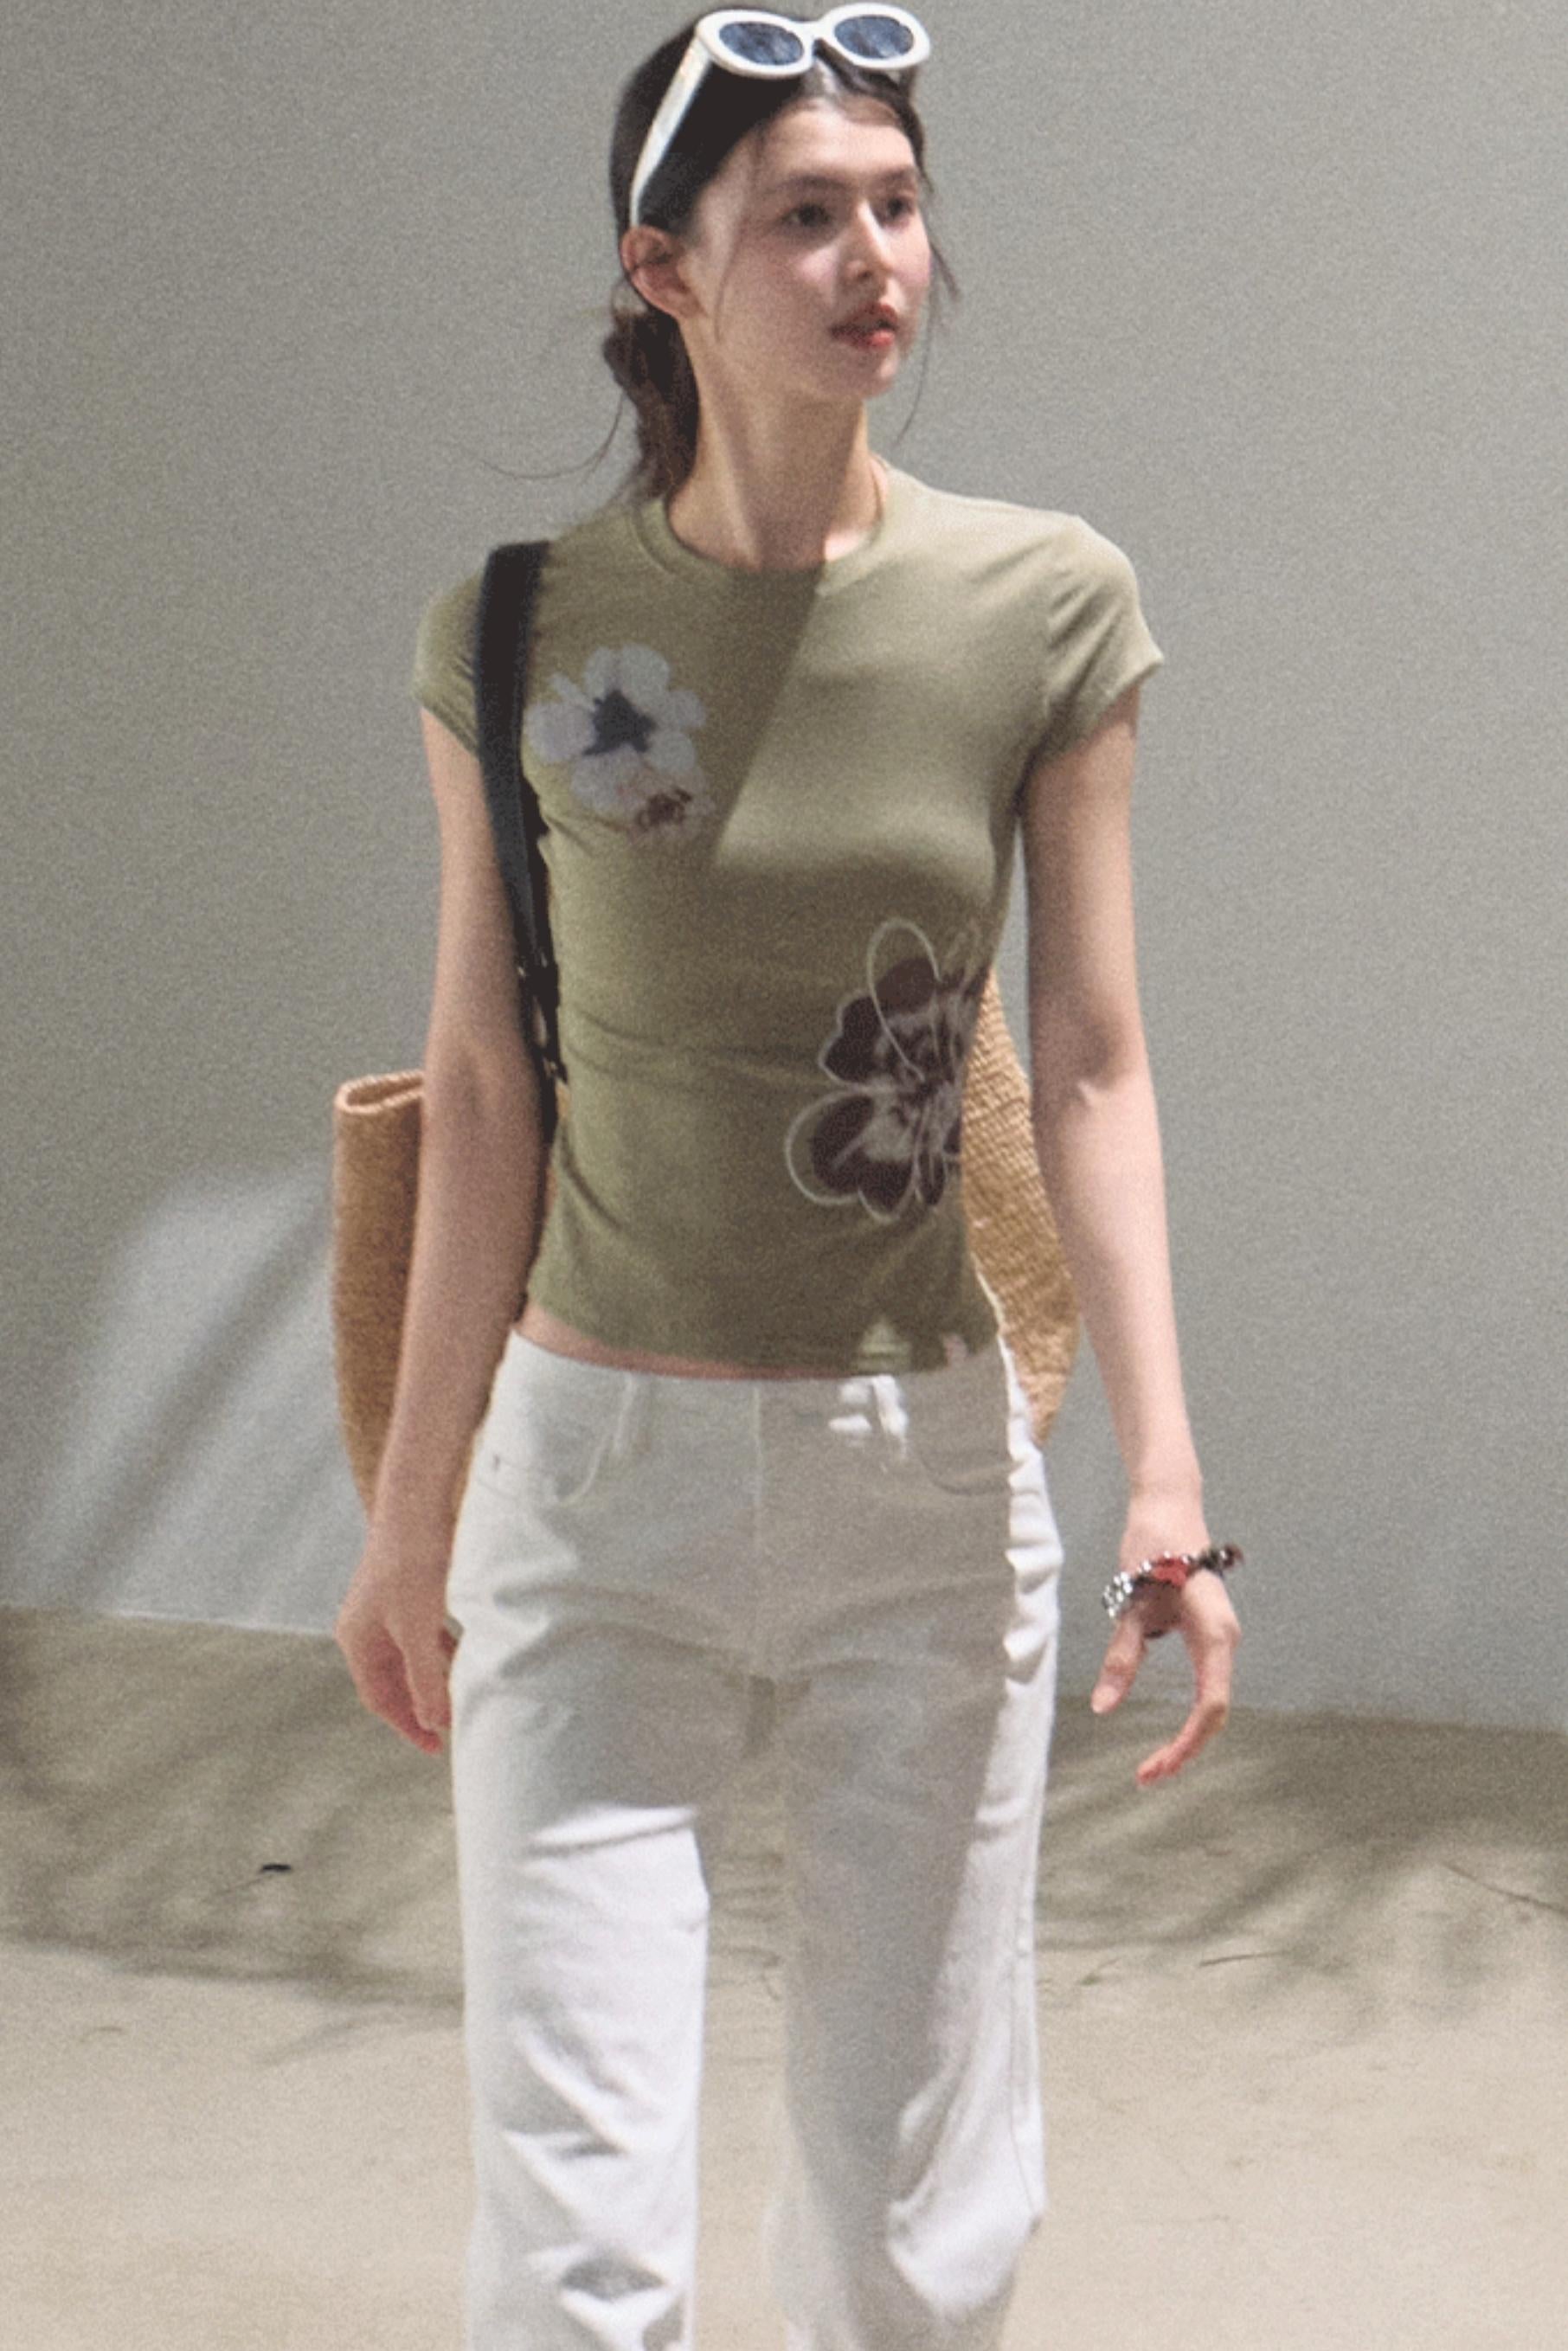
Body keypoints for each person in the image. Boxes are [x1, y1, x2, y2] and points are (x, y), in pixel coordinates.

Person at [335, 9, 1241, 2346]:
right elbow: (483, 1084)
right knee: (574, 2247)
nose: (875, 260)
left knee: (915, 2226)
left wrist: (1163, 1474)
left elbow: (1092, 1059)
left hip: (913, 1484)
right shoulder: (521, 631)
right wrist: (411, 1517)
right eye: (807, 216)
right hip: (592, 1489)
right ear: (666, 270)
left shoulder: (1042, 603)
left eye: (898, 205)